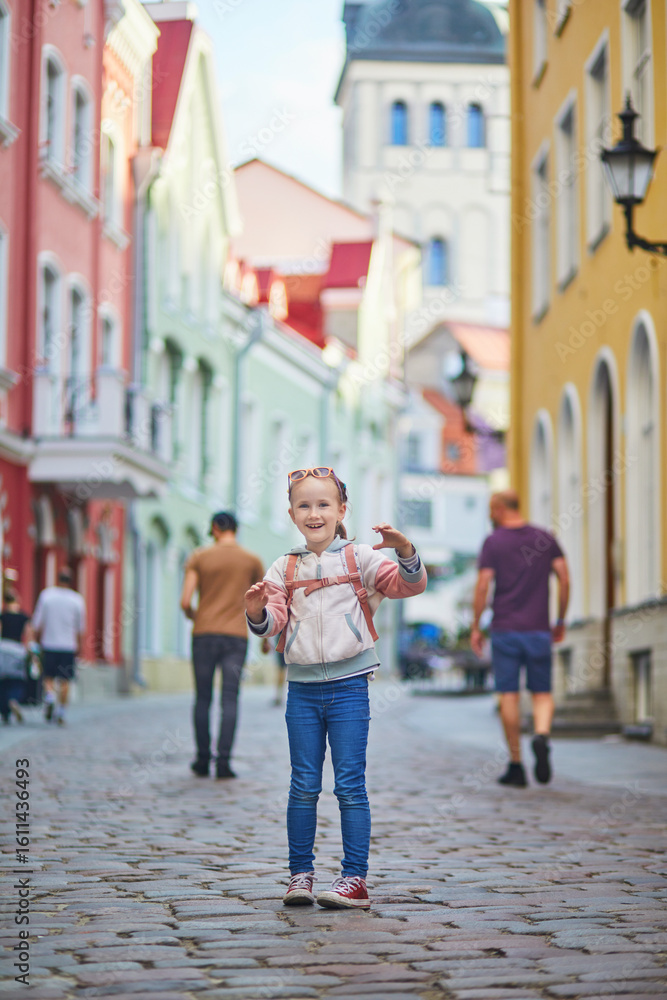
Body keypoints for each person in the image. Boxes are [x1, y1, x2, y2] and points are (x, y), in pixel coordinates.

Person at [244, 466, 427, 910]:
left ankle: (354, 879)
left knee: (349, 784)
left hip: (349, 689)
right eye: (304, 505)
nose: (314, 513)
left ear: (341, 509)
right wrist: (255, 612)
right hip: (302, 692)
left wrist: (405, 549)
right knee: (303, 785)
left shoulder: (360, 558)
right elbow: (273, 624)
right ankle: (300, 875)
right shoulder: (283, 566)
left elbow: (409, 585)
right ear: (291, 513)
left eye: (324, 504)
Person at [471, 490, 570, 788]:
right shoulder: (545, 537)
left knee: (509, 695)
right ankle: (541, 734)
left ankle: (516, 764)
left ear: (500, 509)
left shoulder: (494, 541)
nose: (490, 514)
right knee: (541, 692)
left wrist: (476, 626)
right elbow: (565, 578)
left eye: (491, 508)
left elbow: (483, 585)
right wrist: (561, 619)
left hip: (505, 629)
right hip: (539, 628)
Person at [180, 511, 264, 779]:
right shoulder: (251, 560)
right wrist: (266, 638)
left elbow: (185, 601)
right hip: (236, 637)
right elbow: (262, 600)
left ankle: (202, 760)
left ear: (215, 528)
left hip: (204, 634)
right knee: (230, 699)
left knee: (203, 698)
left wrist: (198, 616)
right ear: (236, 530)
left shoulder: (199, 557)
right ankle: (224, 763)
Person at [32, 568, 86, 726]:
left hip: (49, 643)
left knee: (48, 677)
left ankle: (49, 696)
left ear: (57, 579)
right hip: (68, 646)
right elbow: (80, 628)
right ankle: (61, 711)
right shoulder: (77, 600)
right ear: (71, 581)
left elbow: (37, 623)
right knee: (65, 680)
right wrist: (79, 648)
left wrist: (36, 641)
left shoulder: (47, 596)